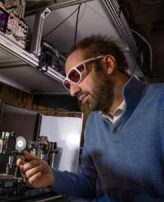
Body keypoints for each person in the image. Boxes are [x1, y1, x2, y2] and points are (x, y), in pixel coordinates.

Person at [17, 35, 164, 201]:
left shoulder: (160, 103)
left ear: (107, 64)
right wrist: (52, 177)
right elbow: (89, 185)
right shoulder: (93, 123)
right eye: (67, 84)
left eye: (75, 76)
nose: (72, 91)